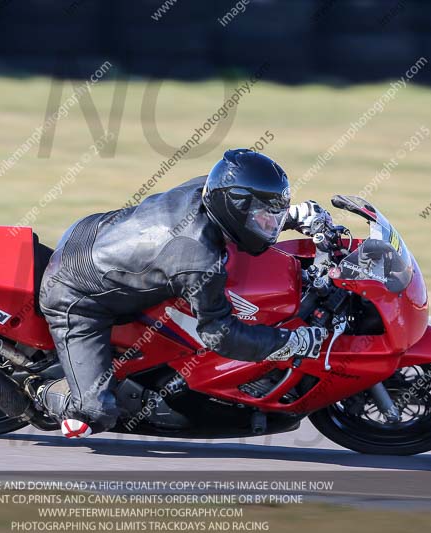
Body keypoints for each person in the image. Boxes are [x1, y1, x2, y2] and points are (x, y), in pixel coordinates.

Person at [33, 148, 332, 439]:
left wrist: (290, 215)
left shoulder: (210, 188)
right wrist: (289, 342)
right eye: (264, 214)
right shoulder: (198, 261)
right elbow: (220, 335)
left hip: (92, 232)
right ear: (235, 206)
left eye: (271, 214)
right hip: (75, 297)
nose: (269, 221)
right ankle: (43, 391)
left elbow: (245, 211)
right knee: (95, 414)